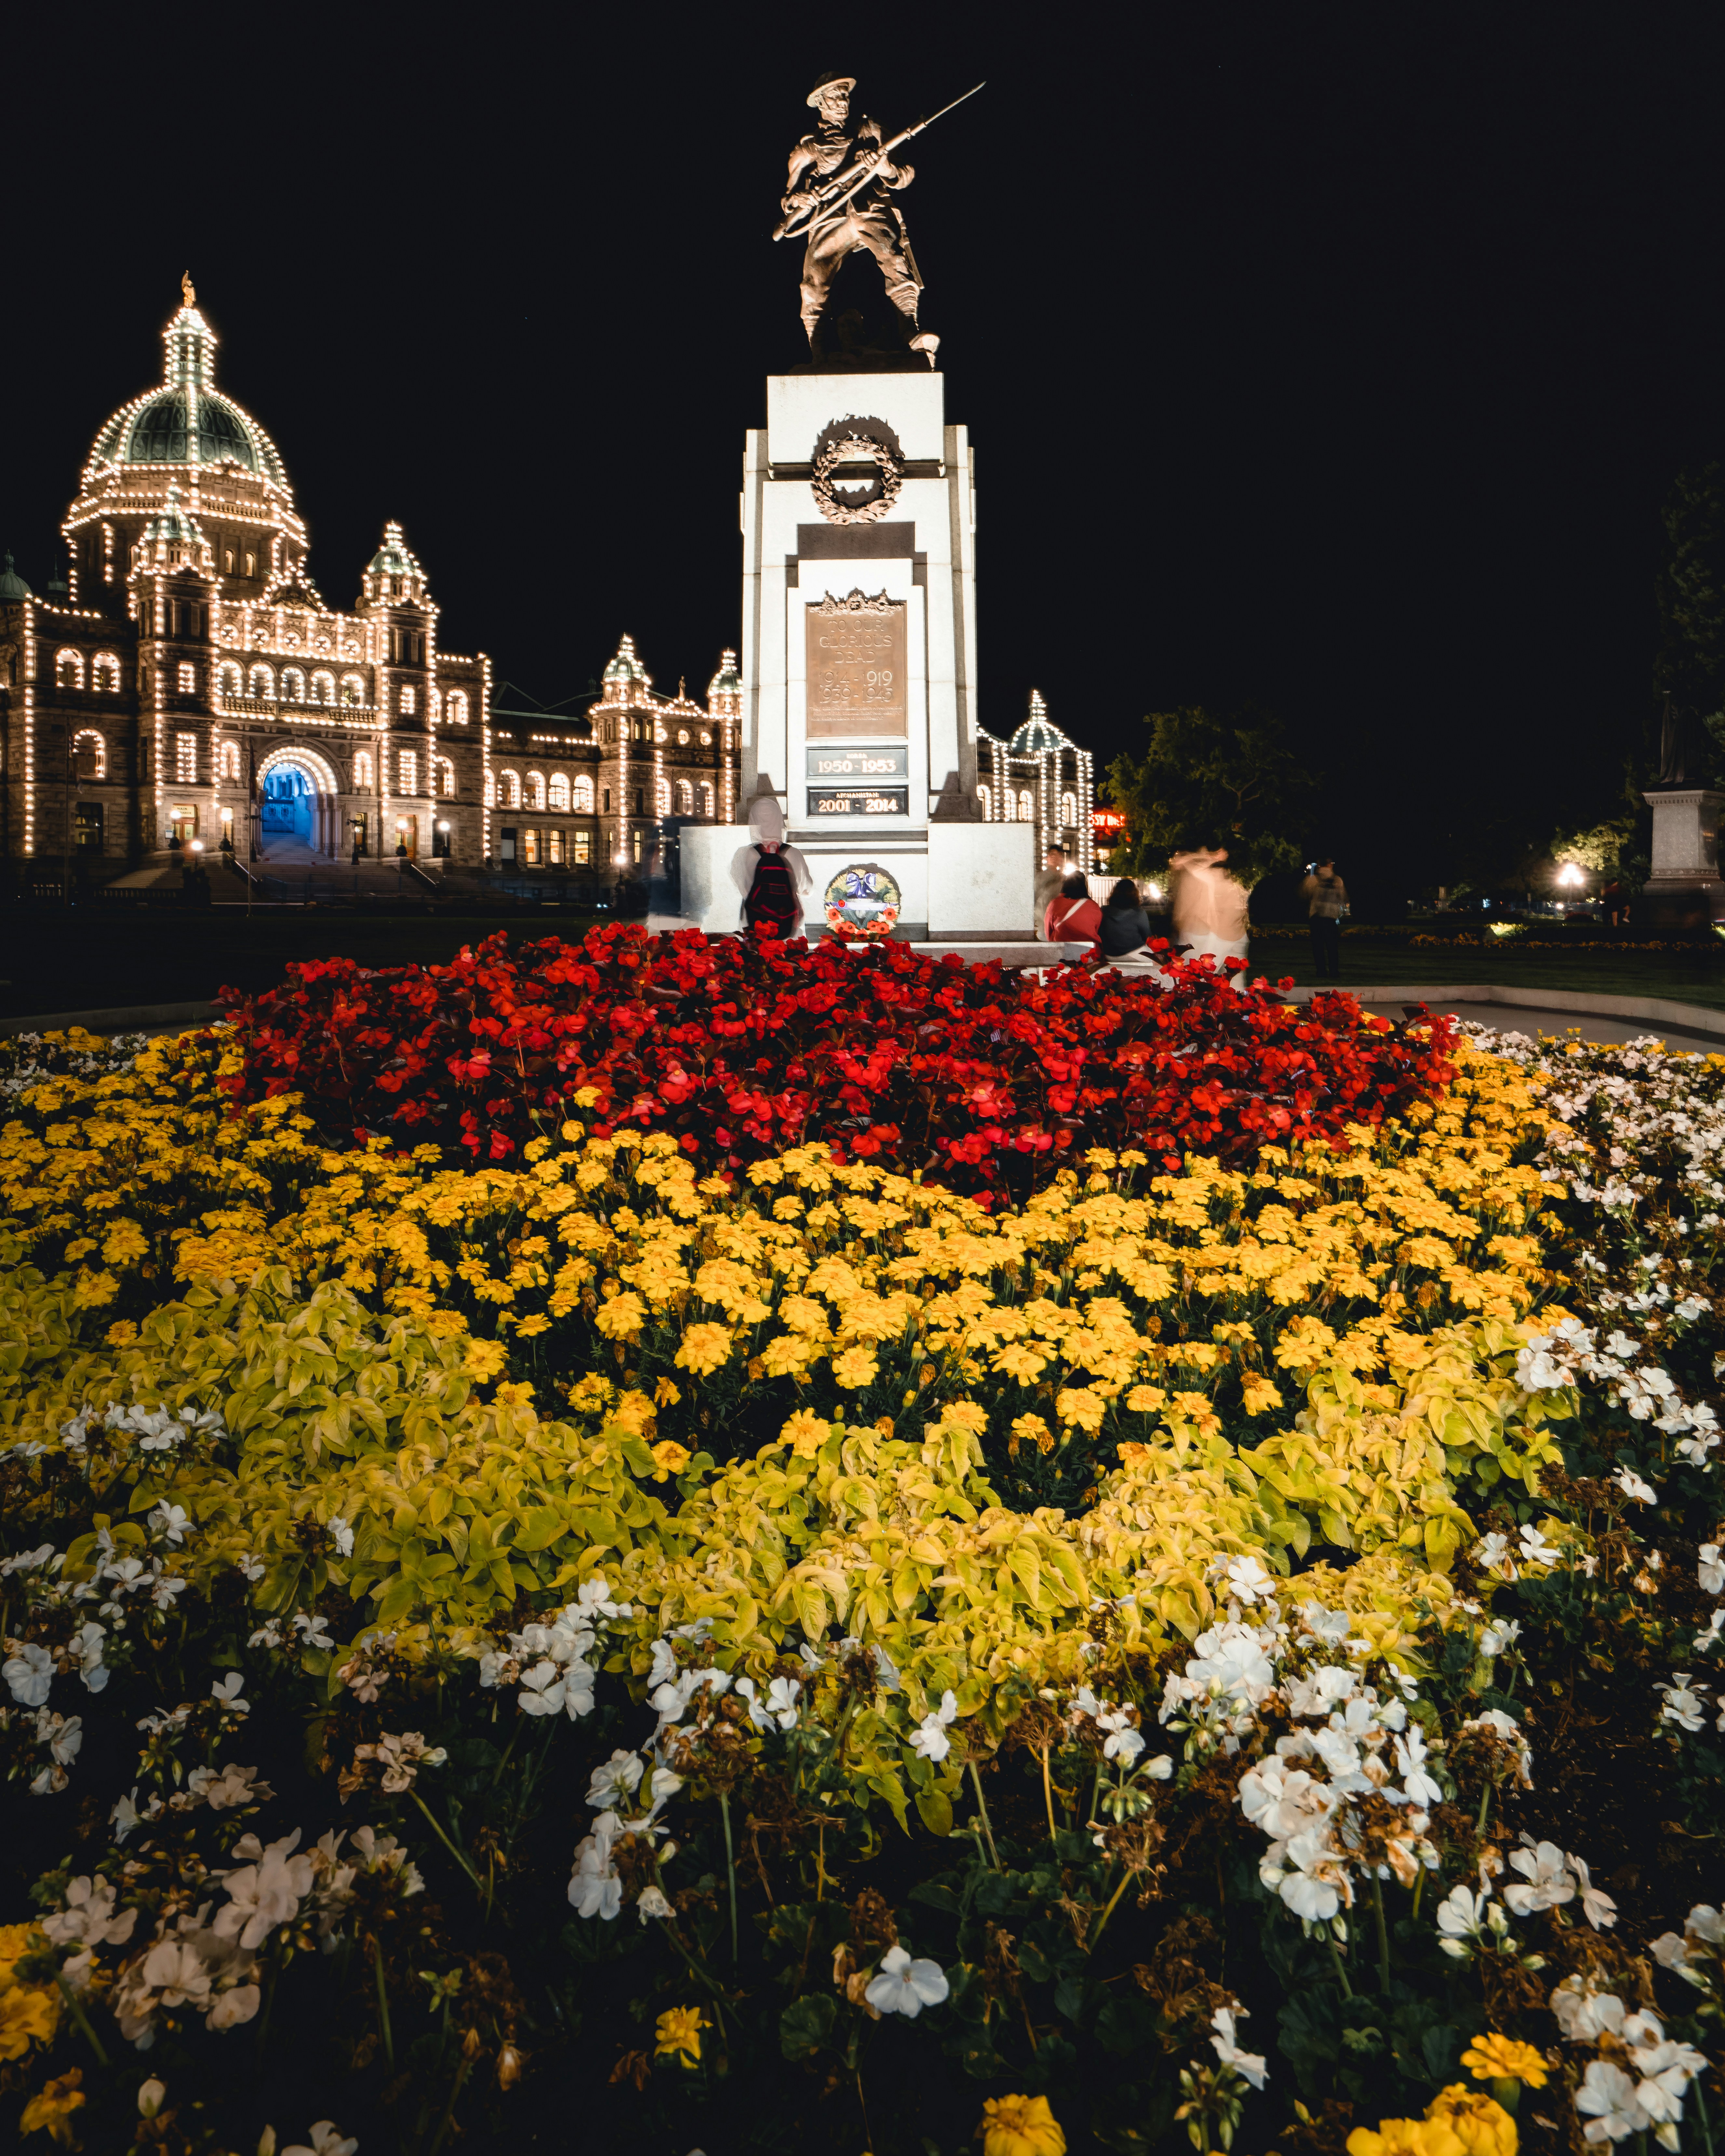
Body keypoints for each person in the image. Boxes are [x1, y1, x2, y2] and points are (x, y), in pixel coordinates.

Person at [782, 73, 939, 362]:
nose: (843, 102)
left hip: (871, 207)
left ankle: (910, 329)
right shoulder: (809, 146)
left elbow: (905, 174)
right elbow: (789, 199)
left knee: (895, 259)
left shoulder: (870, 129)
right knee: (813, 283)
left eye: (845, 95)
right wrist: (799, 199)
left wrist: (884, 168)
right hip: (830, 217)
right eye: (835, 96)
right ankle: (817, 350)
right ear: (821, 103)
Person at [730, 793, 813, 937]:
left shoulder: (743, 854)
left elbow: (743, 890)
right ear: (779, 820)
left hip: (754, 928)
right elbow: (807, 891)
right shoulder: (793, 854)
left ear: (753, 822)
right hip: (790, 928)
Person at [1168, 844, 1250, 982]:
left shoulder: (1211, 877)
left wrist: (1209, 857)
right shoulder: (1230, 883)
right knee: (1230, 979)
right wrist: (1210, 857)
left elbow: (1182, 862)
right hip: (1224, 933)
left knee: (1199, 975)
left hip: (1208, 932)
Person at [1301, 857, 1347, 979]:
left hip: (1316, 917)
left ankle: (1321, 971)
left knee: (1318, 947)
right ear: (1330, 865)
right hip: (1331, 918)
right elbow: (1342, 898)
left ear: (1319, 865)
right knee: (1333, 947)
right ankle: (1334, 972)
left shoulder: (1312, 879)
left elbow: (1304, 894)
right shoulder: (1337, 880)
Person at [1045, 871, 1103, 956]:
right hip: (1089, 954)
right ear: (1084, 887)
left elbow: (1049, 930)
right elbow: (1097, 929)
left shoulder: (1055, 903)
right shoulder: (1094, 906)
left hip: (1062, 952)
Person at [1099, 877, 1154, 964]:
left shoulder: (1104, 911)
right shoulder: (1139, 913)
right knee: (1158, 960)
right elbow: (1148, 937)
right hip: (1135, 953)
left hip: (1110, 955)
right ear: (1135, 895)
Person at [1033, 844, 1066, 940]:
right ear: (1047, 858)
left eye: (1058, 854)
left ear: (1061, 859)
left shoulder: (1065, 879)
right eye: (1052, 854)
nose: (1054, 857)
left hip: (1058, 923)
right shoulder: (1039, 878)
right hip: (1042, 922)